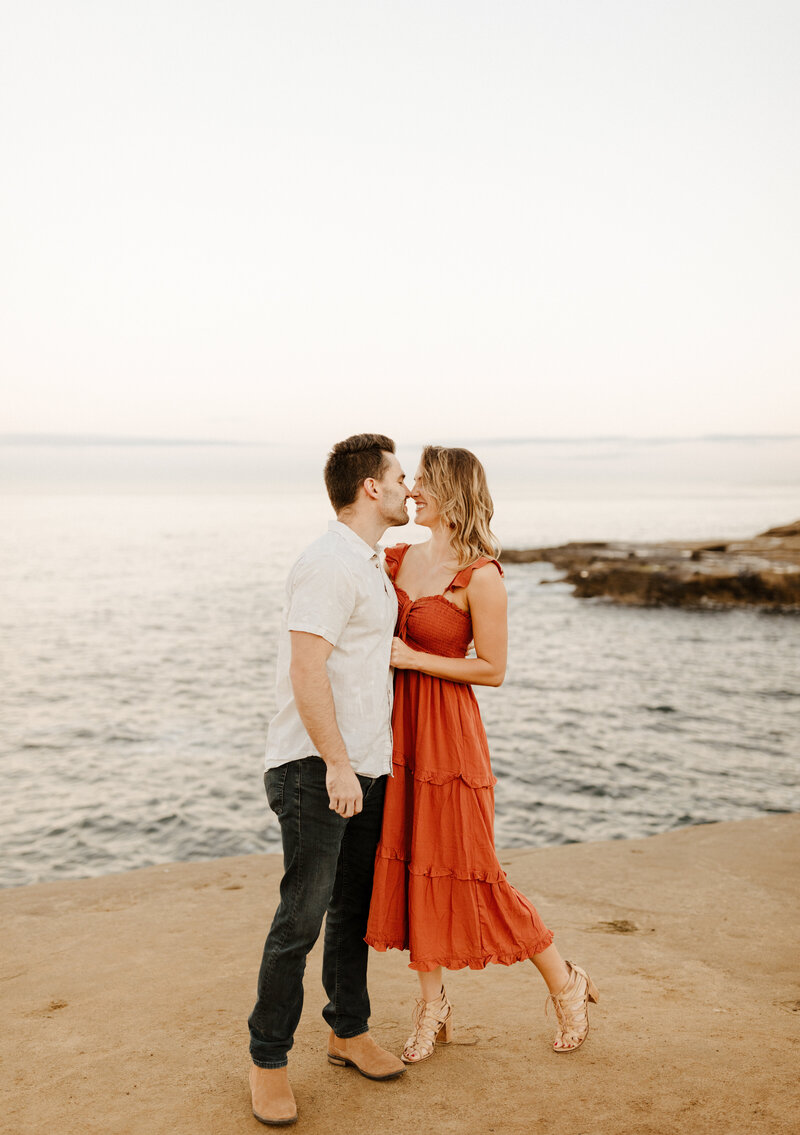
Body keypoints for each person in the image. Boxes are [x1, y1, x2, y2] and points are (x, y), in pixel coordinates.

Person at [365, 445, 599, 1062]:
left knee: (475, 870)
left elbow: (493, 670)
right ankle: (431, 1005)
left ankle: (564, 983)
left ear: (449, 491)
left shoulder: (482, 575)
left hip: (449, 738)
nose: (411, 490)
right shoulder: (395, 559)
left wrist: (415, 658)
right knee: (417, 866)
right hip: (399, 734)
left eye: (421, 482)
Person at [248, 433, 411, 1126]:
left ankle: (347, 1028)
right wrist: (338, 764)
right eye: (401, 477)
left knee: (351, 911)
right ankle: (268, 1059)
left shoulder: (371, 564)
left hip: (365, 764)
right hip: (315, 767)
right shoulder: (327, 564)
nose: (410, 488)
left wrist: (368, 762)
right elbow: (307, 669)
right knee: (302, 916)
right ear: (370, 487)